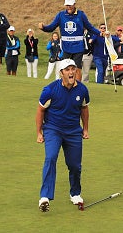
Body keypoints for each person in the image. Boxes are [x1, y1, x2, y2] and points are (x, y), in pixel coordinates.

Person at [36, 59, 90, 213]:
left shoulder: (82, 90)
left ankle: (75, 193)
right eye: (67, 70)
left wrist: (85, 129)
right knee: (51, 158)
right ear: (61, 73)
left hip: (73, 131)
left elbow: (84, 109)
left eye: (73, 69)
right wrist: (39, 132)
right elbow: (40, 111)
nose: (71, 72)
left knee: (74, 165)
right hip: (53, 129)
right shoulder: (50, 90)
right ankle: (45, 197)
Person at [39, 0, 101, 82]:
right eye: (67, 5)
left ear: (74, 4)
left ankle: (78, 87)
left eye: (70, 5)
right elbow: (51, 27)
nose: (68, 7)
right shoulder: (60, 15)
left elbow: (90, 27)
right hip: (66, 46)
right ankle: (65, 85)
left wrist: (100, 33)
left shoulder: (81, 14)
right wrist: (43, 28)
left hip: (78, 45)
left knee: (77, 68)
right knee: (65, 67)